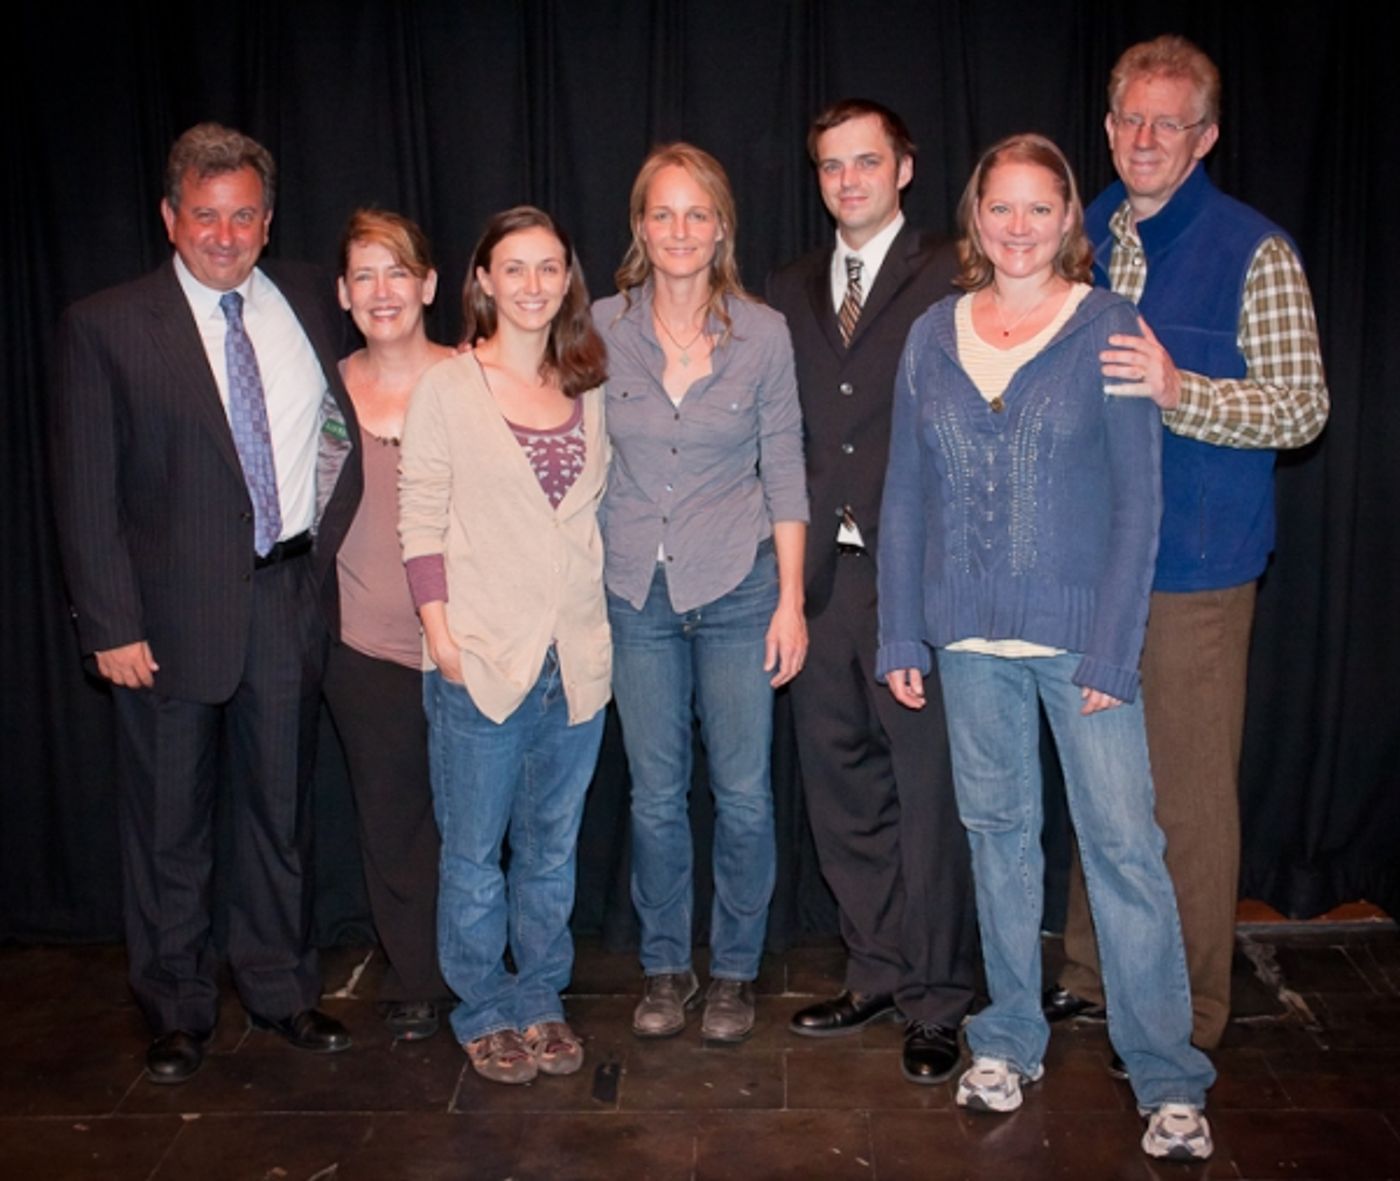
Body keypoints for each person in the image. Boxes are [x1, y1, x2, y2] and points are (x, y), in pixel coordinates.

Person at [877, 133, 1217, 1161]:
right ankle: (1008, 1036)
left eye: (1039, 207)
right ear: (974, 218)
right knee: (997, 837)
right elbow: (905, 495)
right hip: (966, 641)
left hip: (1079, 645)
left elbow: (1137, 504)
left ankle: (1166, 1073)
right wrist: (900, 627)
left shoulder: (1108, 326)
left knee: (1123, 848)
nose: (1017, 226)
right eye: (1000, 206)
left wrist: (1114, 647)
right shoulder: (932, 334)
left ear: (1069, 218)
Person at [49, 123, 362, 1084]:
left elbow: (356, 415)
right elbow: (85, 488)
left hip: (286, 599)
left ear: (267, 221)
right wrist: (110, 623)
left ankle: (280, 988)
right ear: (169, 217)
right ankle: (177, 1006)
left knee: (280, 813)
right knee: (168, 824)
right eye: (204, 215)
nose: (224, 235)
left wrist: (320, 565)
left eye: (243, 216)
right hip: (164, 619)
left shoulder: (312, 298)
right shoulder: (106, 324)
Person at [1046, 35, 1329, 1055]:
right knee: (1100, 782)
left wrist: (1179, 390)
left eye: (1167, 122)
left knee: (1187, 799)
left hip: (1193, 571)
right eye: (1130, 118)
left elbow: (1302, 407)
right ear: (1107, 125)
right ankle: (1091, 973)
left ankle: (1193, 1004)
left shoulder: (1255, 251)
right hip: (1088, 564)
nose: (1144, 138)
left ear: (1204, 137)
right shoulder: (1078, 232)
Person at [766, 99, 976, 1084]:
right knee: (842, 791)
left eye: (865, 161)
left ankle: (938, 997)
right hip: (820, 581)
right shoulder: (787, 287)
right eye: (830, 165)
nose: (847, 180)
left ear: (904, 168)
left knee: (928, 798)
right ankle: (878, 970)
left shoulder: (957, 270)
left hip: (918, 581)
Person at [596, 143, 808, 1044]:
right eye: (663, 213)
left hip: (738, 586)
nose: (679, 230)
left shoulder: (763, 334)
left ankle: (733, 971)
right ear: (640, 227)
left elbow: (786, 467)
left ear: (721, 227)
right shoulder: (599, 326)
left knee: (744, 794)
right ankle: (663, 967)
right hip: (634, 593)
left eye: (696, 214)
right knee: (654, 796)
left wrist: (791, 600)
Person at [399, 206, 610, 1085]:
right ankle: (483, 1006)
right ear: (483, 279)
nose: (532, 284)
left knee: (552, 852)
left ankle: (540, 996)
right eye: (513, 268)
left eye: (549, 267)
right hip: (480, 659)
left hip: (575, 665)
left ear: (568, 280)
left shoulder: (588, 384)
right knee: (475, 856)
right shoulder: (449, 387)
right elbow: (419, 518)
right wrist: (442, 636)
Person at [321, 210, 455, 1041]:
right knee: (393, 815)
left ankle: (484, 961)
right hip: (363, 642)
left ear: (429, 285)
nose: (382, 291)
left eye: (397, 271)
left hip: (470, 642)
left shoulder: (475, 380)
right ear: (343, 293)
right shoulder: (323, 389)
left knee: (474, 817)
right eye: (364, 275)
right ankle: (419, 975)